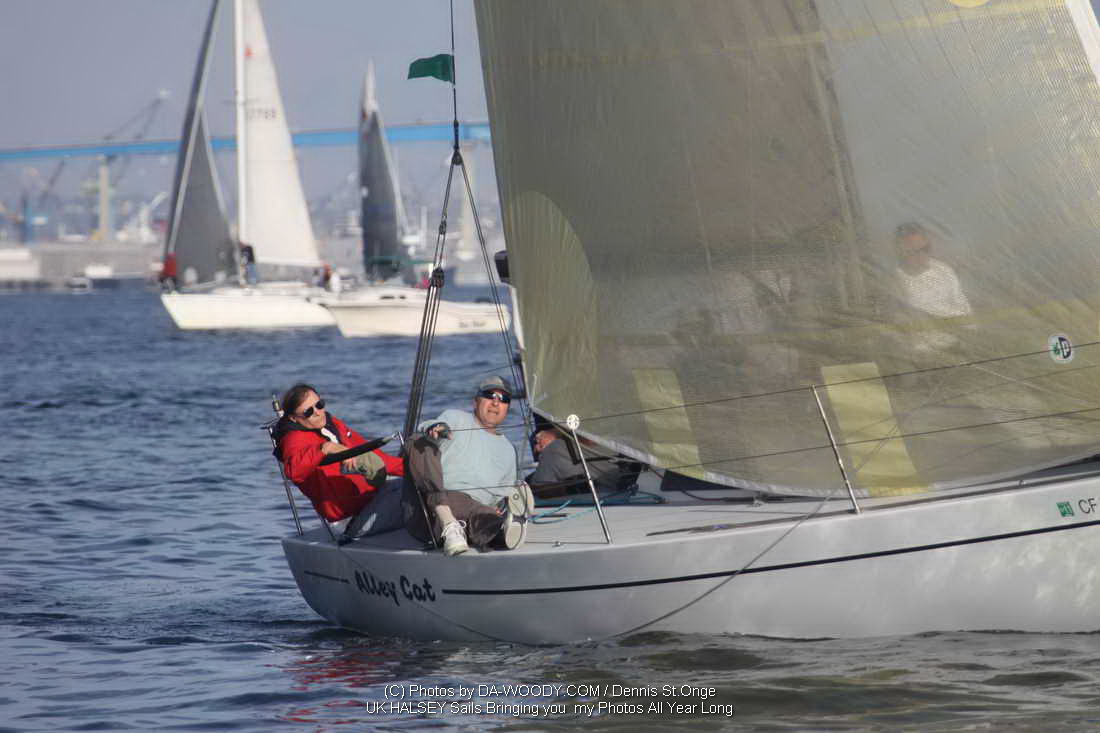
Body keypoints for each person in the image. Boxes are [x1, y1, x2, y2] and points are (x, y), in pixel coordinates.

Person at [404, 375, 533, 556]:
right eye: (489, 395)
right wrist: (437, 428)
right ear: (476, 401)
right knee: (418, 441)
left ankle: (500, 531)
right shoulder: (456, 418)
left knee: (485, 514)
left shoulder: (509, 451)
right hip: (430, 508)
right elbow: (431, 426)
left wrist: (499, 506)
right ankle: (449, 523)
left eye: (503, 399)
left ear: (507, 408)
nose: (496, 402)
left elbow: (499, 496)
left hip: (473, 508)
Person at [273, 384, 405, 538]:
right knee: (414, 492)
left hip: (371, 500)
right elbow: (293, 471)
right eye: (308, 412)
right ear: (294, 418)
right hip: (351, 520)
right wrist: (325, 448)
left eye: (319, 405)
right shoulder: (294, 440)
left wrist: (410, 469)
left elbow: (372, 453)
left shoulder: (332, 424)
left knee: (418, 480)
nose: (318, 413)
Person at [527, 426, 634, 498]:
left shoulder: (630, 444)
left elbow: (537, 491)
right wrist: (572, 488)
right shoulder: (555, 449)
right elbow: (538, 490)